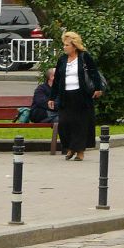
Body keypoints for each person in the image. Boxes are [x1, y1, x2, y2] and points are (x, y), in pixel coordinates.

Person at [48, 31, 103, 161]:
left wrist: (98, 88)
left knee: (81, 124)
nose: (64, 47)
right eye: (64, 45)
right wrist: (52, 97)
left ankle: (80, 151)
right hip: (65, 96)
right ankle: (70, 147)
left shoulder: (84, 57)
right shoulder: (62, 59)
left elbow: (94, 73)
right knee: (65, 123)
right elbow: (57, 80)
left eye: (67, 45)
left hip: (81, 96)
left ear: (74, 46)